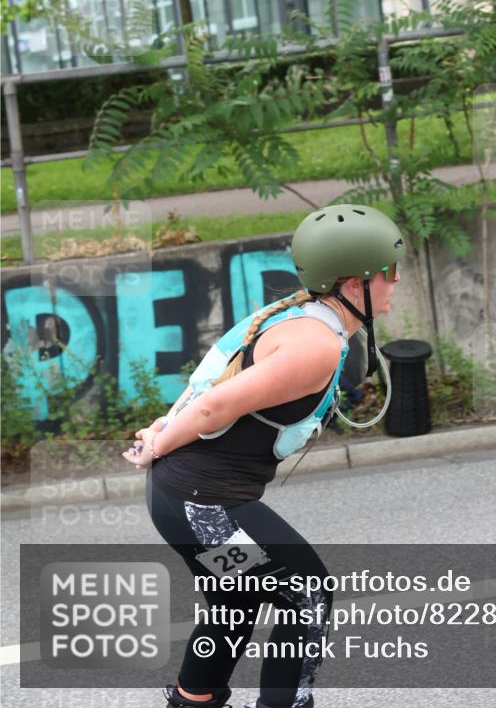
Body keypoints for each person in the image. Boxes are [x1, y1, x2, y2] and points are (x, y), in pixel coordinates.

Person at [122, 204, 405, 708]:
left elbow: (211, 379)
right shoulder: (315, 344)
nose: (397, 279)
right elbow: (213, 405)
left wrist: (164, 424)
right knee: (306, 593)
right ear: (355, 283)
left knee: (236, 596)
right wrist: (159, 444)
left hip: (182, 499)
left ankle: (192, 699)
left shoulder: (292, 312)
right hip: (202, 506)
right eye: (389, 270)